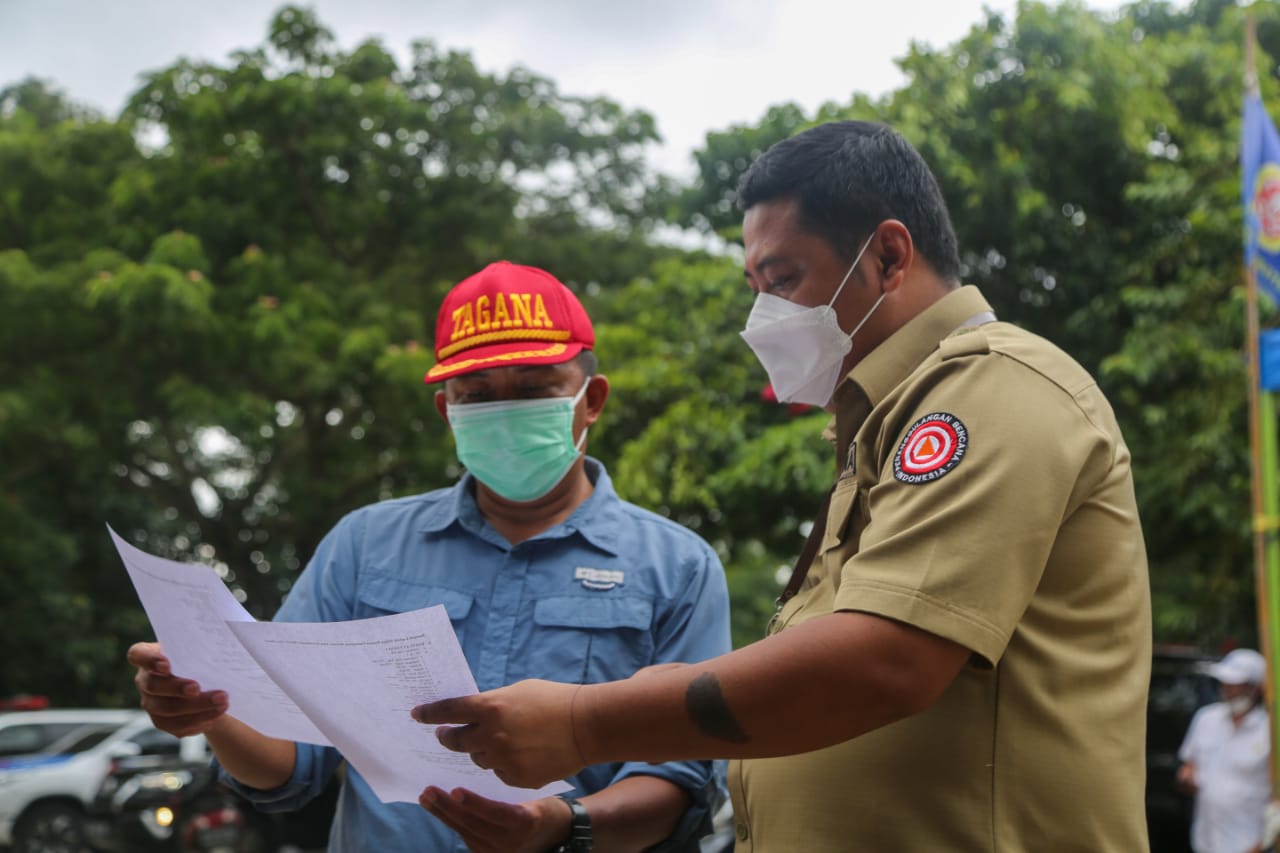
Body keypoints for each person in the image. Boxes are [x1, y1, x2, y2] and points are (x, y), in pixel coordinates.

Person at [412, 120, 1154, 851]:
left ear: (889, 255)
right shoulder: (879, 429)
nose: (763, 316)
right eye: (756, 286)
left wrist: (583, 722)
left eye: (784, 278)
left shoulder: (992, 386)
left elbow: (885, 661)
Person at [128, 261, 732, 853]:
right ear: (447, 411)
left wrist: (560, 826)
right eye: (476, 395)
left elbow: (679, 775)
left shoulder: (676, 568)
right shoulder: (364, 547)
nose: (503, 410)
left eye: (531, 389)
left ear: (590, 399)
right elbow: (290, 763)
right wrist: (211, 712)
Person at [1177, 648, 1272, 853]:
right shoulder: (1206, 718)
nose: (1227, 689)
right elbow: (1188, 764)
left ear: (1254, 688)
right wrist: (1187, 776)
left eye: (1235, 685)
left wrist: (1262, 845)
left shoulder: (1270, 730)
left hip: (1248, 844)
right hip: (1205, 841)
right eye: (1225, 683)